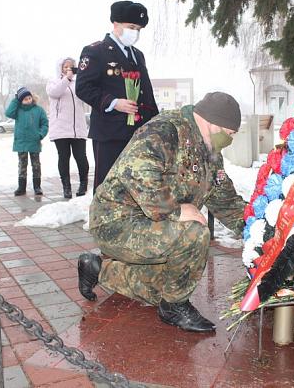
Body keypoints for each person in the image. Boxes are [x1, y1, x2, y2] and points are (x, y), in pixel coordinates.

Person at [77, 92, 246, 332]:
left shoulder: (209, 150)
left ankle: (96, 269)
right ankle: (174, 308)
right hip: (117, 222)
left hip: (155, 227)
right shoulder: (164, 130)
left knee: (163, 287)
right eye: (229, 134)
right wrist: (176, 210)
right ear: (213, 123)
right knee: (195, 233)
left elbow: (224, 199)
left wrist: (257, 228)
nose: (229, 140)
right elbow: (138, 174)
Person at [76, 0, 159, 193]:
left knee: (135, 183)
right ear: (116, 24)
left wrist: (154, 123)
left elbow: (146, 92)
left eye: (138, 29)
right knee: (108, 183)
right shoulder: (96, 51)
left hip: (137, 132)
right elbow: (83, 87)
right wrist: (114, 103)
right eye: (131, 27)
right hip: (109, 132)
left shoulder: (138, 55)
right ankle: (101, 222)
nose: (135, 33)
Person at [46, 58, 90, 199]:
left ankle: (83, 184)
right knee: (64, 157)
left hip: (78, 127)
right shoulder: (53, 82)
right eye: (65, 66)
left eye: (71, 67)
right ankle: (66, 187)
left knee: (81, 157)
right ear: (61, 68)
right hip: (60, 128)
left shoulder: (79, 83)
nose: (68, 69)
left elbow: (86, 97)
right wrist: (67, 79)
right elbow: (54, 93)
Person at [6, 87, 49, 196]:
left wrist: (40, 134)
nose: (28, 100)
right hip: (21, 143)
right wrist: (16, 99)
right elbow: (8, 113)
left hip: (34, 141)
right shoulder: (17, 111)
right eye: (25, 99)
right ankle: (21, 187)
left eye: (29, 98)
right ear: (21, 101)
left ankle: (37, 187)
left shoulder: (38, 110)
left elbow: (45, 124)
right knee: (22, 165)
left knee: (36, 165)